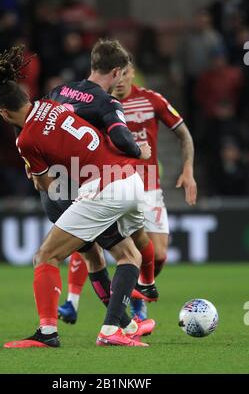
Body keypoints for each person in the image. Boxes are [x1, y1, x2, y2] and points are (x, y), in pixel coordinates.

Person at [0, 46, 155, 348]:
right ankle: (119, 326)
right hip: (129, 180)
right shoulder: (51, 104)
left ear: (4, 113)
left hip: (103, 188)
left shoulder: (26, 138)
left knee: (45, 256)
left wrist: (37, 171)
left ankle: (48, 333)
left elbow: (44, 185)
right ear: (27, 96)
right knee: (129, 254)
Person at [60, 59, 197, 321]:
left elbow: (184, 134)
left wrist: (188, 169)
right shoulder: (99, 103)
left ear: (133, 73)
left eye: (126, 74)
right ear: (112, 76)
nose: (121, 80)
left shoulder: (152, 100)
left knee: (157, 255)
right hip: (111, 183)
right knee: (87, 240)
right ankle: (74, 302)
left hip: (148, 188)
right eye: (117, 75)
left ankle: (135, 293)